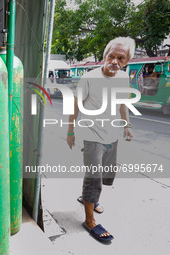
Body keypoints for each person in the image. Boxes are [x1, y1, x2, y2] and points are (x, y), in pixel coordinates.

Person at [66, 37, 135, 244]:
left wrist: (126, 126)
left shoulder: (123, 78)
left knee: (107, 174)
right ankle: (89, 220)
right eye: (111, 56)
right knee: (94, 177)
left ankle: (90, 199)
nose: (114, 61)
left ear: (126, 61)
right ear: (105, 56)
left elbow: (123, 104)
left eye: (120, 58)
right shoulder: (89, 77)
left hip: (111, 135)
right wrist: (70, 131)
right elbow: (75, 104)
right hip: (91, 134)